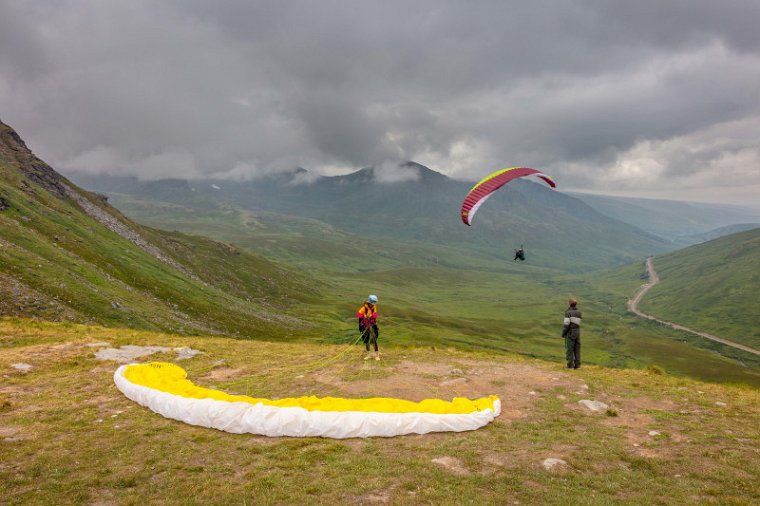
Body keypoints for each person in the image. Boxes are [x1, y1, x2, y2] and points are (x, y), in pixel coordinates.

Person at [357, 294, 380, 360]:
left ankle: (377, 355)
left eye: (374, 302)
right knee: (366, 339)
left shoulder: (374, 307)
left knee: (374, 339)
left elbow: (375, 315)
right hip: (365, 325)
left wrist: (371, 317)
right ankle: (368, 355)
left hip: (372, 324)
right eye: (373, 302)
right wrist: (364, 316)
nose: (373, 304)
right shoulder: (364, 308)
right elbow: (358, 314)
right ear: (369, 302)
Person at [562, 298, 582, 369]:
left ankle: (570, 365)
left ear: (569, 304)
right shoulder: (579, 312)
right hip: (577, 333)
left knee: (569, 349)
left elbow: (566, 325)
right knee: (577, 349)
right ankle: (577, 365)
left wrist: (563, 334)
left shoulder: (568, 312)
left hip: (570, 333)